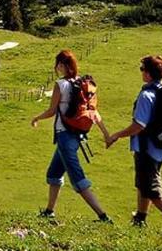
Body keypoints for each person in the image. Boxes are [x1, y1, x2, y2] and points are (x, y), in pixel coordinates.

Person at [105, 54, 162, 229]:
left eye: (142, 69)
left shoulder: (147, 95)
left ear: (149, 74)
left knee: (152, 191)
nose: (141, 72)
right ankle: (140, 219)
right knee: (143, 184)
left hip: (147, 148)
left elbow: (139, 125)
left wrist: (117, 135)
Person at [30, 49, 111, 222]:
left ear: (61, 65)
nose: (56, 67)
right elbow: (94, 113)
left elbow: (52, 111)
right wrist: (106, 134)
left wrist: (37, 117)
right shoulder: (82, 84)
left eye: (57, 64)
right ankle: (49, 211)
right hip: (77, 135)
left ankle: (103, 216)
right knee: (54, 173)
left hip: (64, 135)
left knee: (77, 178)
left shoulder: (61, 85)